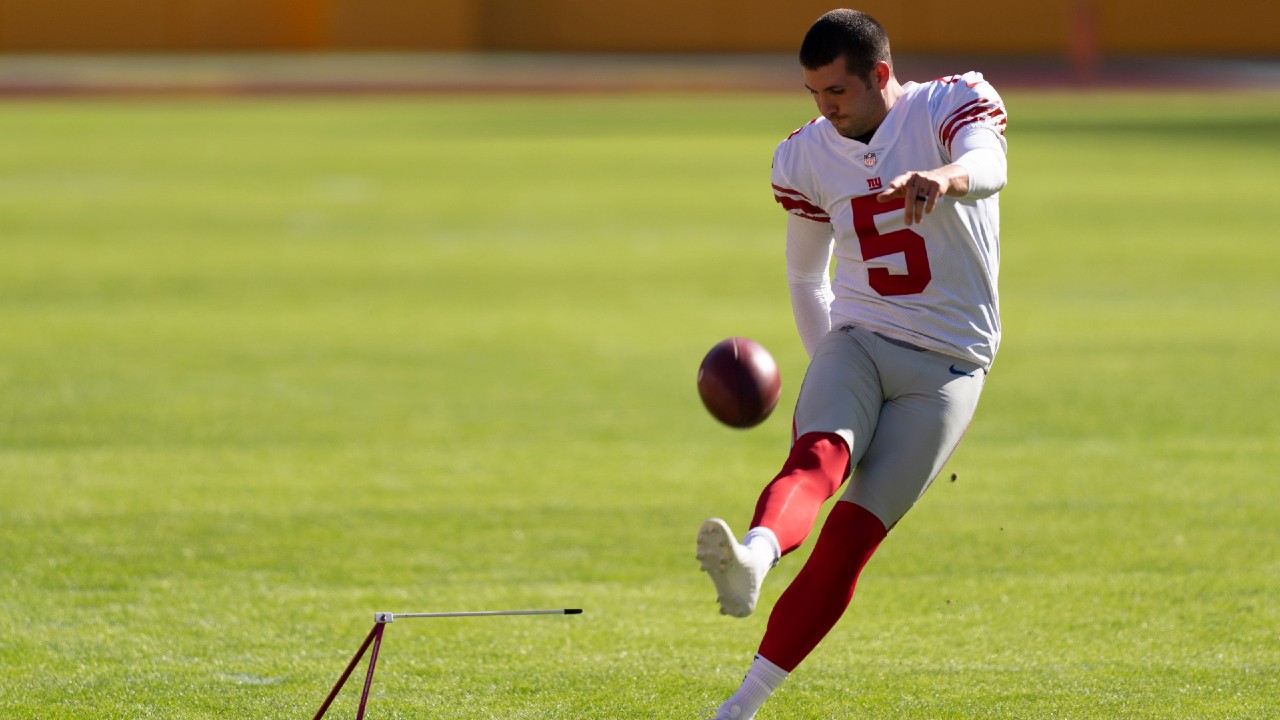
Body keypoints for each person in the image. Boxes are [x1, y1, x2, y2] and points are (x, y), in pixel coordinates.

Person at [695, 8, 1008, 719]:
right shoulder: (806, 154)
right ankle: (754, 556)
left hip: (950, 366)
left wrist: (947, 177)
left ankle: (740, 707)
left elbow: (992, 166)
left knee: (850, 541)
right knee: (819, 456)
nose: (824, 108)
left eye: (836, 92)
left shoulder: (946, 105)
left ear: (880, 75)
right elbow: (806, 277)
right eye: (812, 93)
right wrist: (833, 368)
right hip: (861, 338)